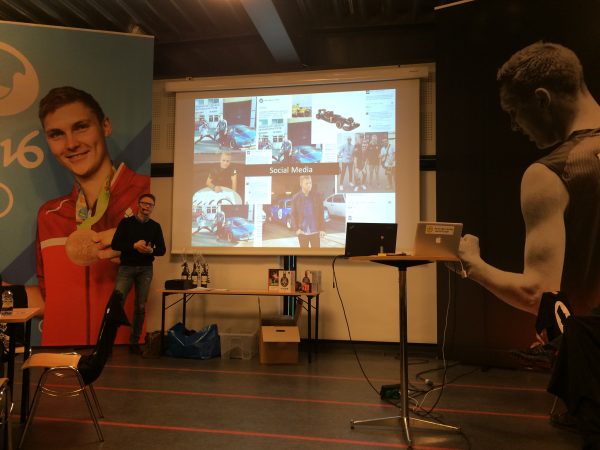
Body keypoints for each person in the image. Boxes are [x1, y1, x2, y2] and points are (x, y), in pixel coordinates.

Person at [458, 42, 600, 318]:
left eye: (513, 112)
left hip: (586, 341)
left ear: (542, 99)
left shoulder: (550, 173)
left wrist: (472, 265)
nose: (514, 126)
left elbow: (537, 295)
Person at [33, 86, 150, 346]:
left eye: (81, 127)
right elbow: (48, 296)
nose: (71, 144)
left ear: (105, 126)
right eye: (56, 134)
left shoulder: (151, 194)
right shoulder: (49, 215)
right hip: (62, 358)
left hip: (132, 359)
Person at [111, 194, 166, 354]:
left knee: (140, 306)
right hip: (126, 268)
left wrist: (151, 250)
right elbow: (115, 244)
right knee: (117, 304)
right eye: (145, 203)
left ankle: (134, 342)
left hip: (145, 269)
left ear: (153, 208)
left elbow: (162, 250)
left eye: (150, 205)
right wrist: (134, 246)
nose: (147, 206)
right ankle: (108, 343)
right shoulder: (126, 223)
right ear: (138, 204)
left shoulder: (155, 226)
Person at [291, 175, 326, 248]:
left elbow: (321, 213)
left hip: (315, 232)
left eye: (310, 183)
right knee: (304, 253)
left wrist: (322, 229)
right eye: (306, 183)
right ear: (301, 184)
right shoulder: (296, 198)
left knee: (316, 253)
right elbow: (293, 214)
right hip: (302, 232)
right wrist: (296, 229)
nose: (309, 185)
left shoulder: (317, 196)